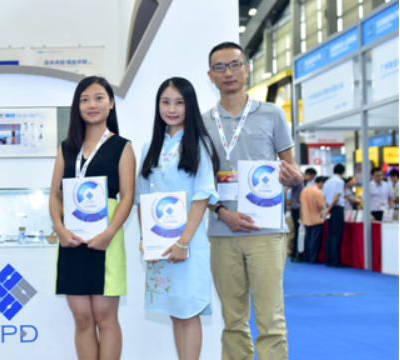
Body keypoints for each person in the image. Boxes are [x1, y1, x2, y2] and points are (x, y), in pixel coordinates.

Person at [204, 42, 303, 360]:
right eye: (220, 67)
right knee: (233, 322)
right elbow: (199, 182)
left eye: (234, 64)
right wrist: (221, 213)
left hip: (266, 231)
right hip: (222, 231)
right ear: (211, 76)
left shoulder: (272, 114)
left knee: (270, 321)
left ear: (246, 69)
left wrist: (295, 177)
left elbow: (291, 167)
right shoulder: (202, 122)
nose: (228, 72)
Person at [49, 76, 135, 360]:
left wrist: (109, 233)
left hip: (106, 239)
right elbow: (55, 195)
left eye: (99, 98)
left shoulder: (122, 146)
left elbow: (128, 196)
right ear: (77, 106)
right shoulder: (66, 147)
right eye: (84, 99)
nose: (91, 105)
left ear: (111, 103)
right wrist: (60, 229)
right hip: (71, 240)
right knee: (82, 318)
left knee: (105, 317)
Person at [134, 77, 219, 360]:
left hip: (188, 243)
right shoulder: (150, 147)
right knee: (175, 312)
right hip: (160, 244)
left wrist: (183, 242)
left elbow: (202, 196)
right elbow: (142, 197)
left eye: (179, 102)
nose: (171, 109)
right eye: (165, 102)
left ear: (189, 106)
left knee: (189, 311)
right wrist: (145, 238)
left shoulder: (200, 145)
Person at [288, 168, 317, 262]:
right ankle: (296, 253)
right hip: (297, 209)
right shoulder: (299, 181)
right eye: (312, 177)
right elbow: (289, 188)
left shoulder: (305, 183)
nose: (311, 179)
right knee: (298, 231)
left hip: (300, 208)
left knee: (299, 231)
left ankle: (297, 253)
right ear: (308, 174)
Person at [322, 164, 346, 267]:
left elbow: (323, 197)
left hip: (329, 208)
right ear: (343, 172)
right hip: (336, 209)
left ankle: (329, 259)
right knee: (336, 235)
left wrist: (326, 209)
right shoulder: (340, 181)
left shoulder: (327, 181)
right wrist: (329, 208)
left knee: (330, 234)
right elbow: (336, 197)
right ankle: (335, 261)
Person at [301, 176, 328, 263]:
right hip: (317, 219)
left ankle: (307, 257)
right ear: (321, 183)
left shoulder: (304, 190)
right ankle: (313, 259)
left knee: (308, 239)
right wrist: (326, 217)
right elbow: (322, 207)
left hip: (306, 218)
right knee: (315, 240)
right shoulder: (318, 192)